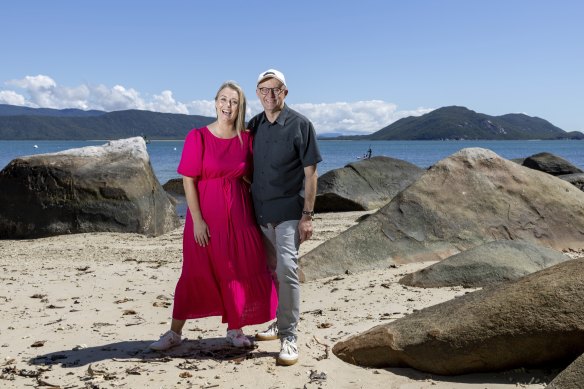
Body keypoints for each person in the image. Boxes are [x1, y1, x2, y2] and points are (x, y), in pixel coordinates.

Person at [150, 81, 278, 351]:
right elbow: (188, 180)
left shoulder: (247, 139)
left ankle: (235, 329)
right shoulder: (198, 136)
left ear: (240, 107)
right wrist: (197, 220)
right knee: (195, 273)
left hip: (241, 219)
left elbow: (258, 174)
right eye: (223, 99)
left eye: (234, 101)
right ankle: (174, 333)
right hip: (205, 220)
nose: (227, 106)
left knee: (238, 271)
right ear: (215, 102)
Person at [247, 69, 322, 366]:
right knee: (272, 269)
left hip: (290, 212)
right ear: (257, 94)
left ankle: (289, 335)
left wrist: (307, 216)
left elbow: (311, 174)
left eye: (275, 89)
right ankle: (279, 322)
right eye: (263, 90)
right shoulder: (254, 125)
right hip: (260, 212)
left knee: (288, 269)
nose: (269, 95)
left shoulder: (301, 125)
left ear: (285, 92)